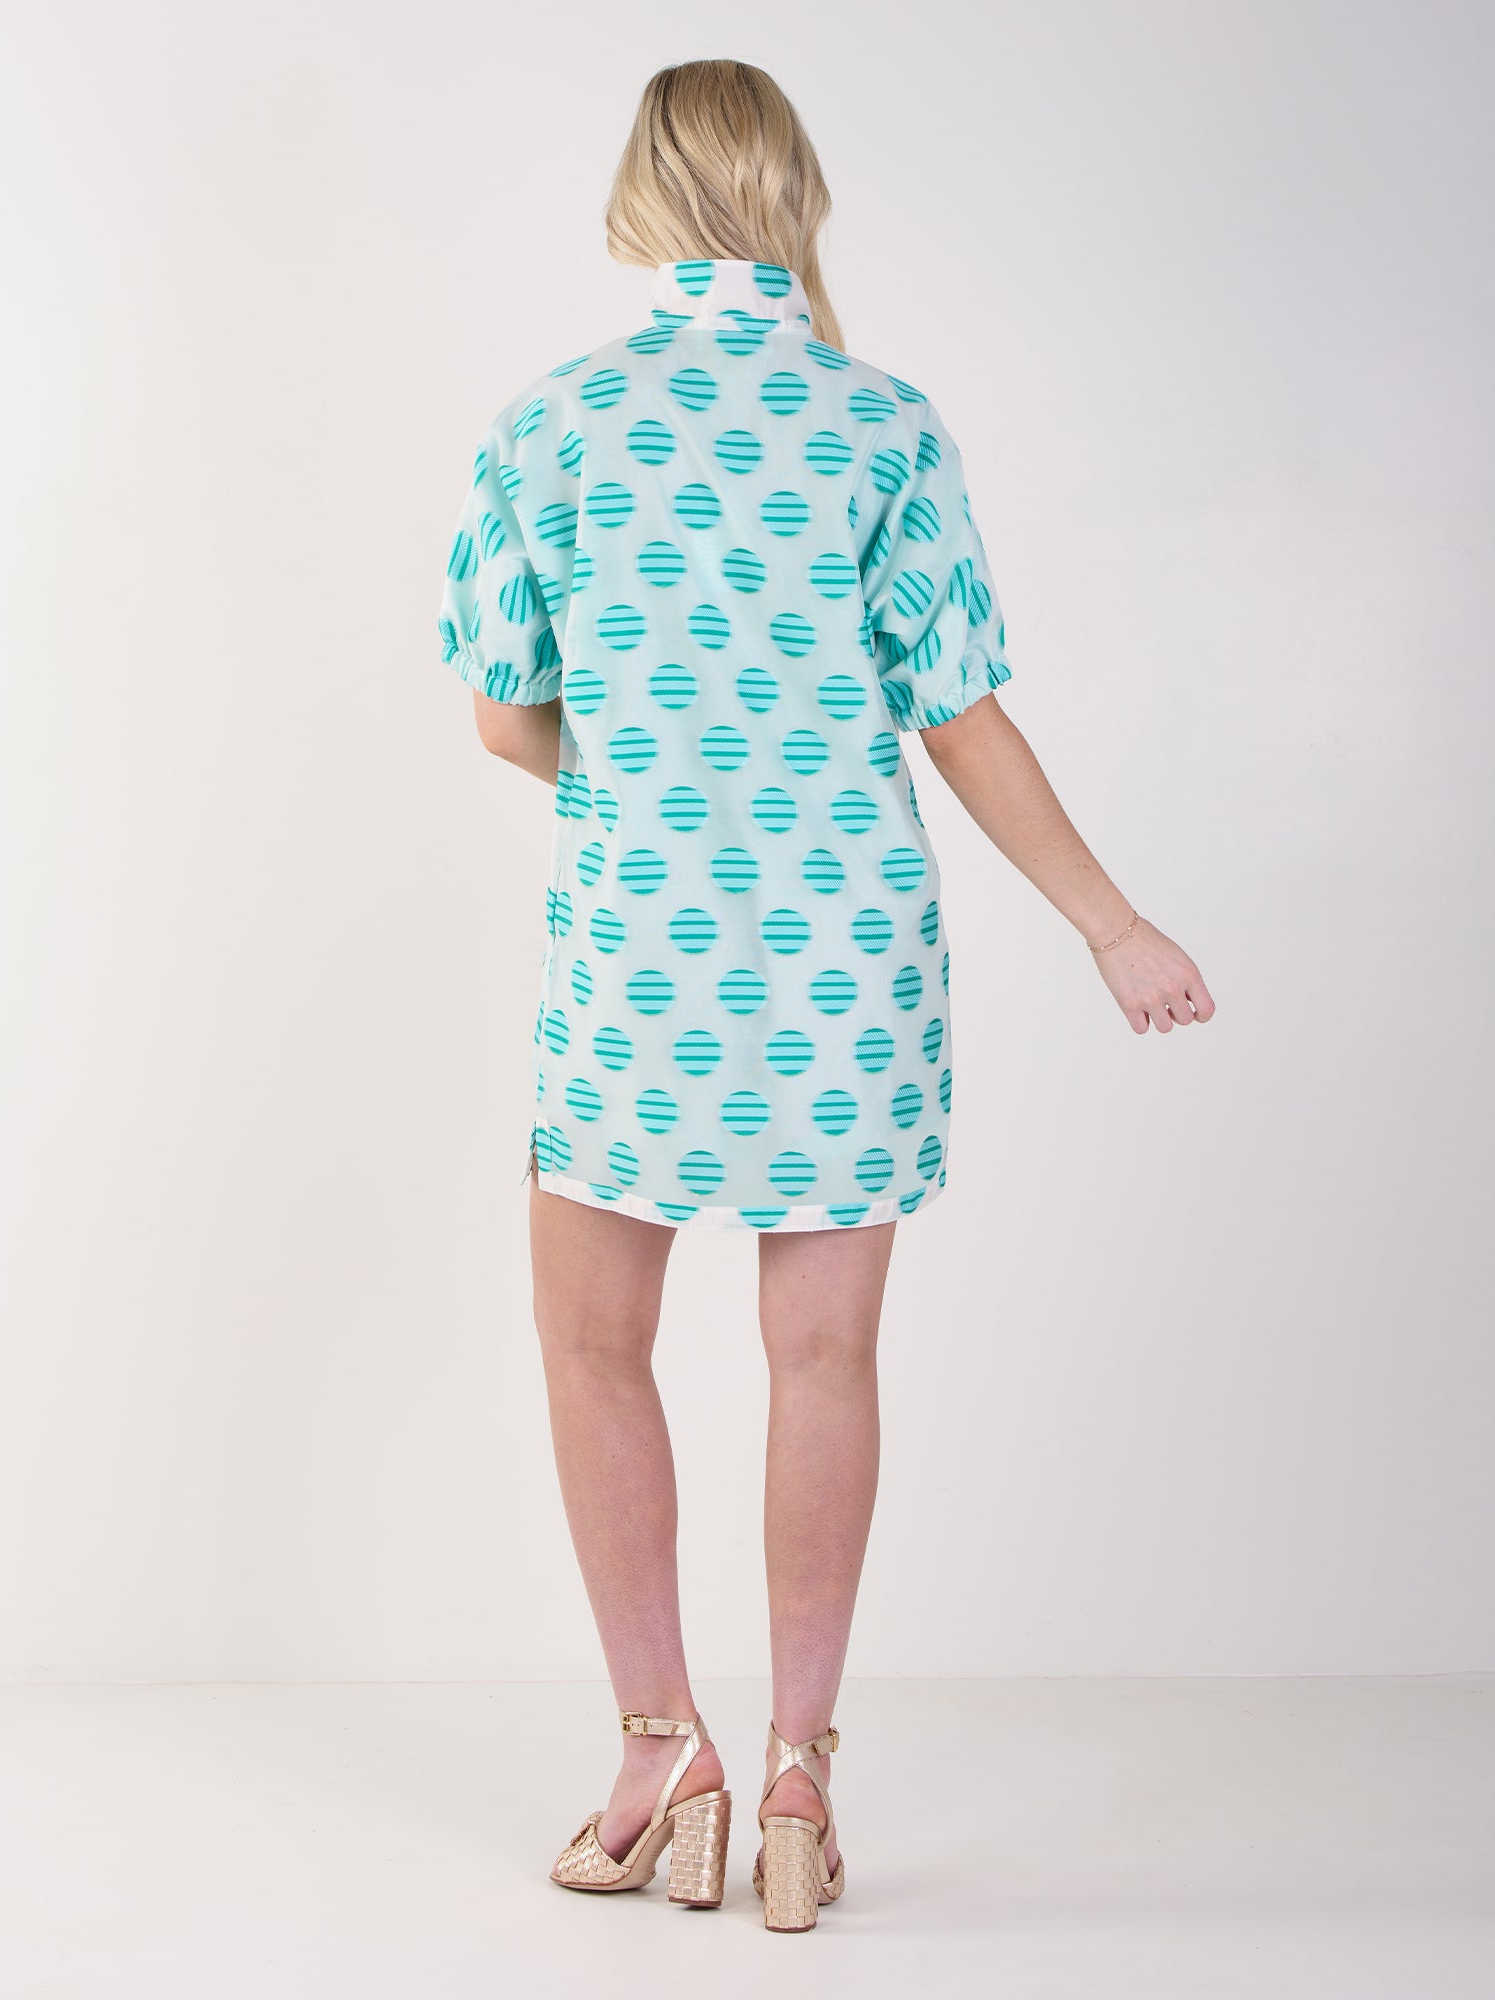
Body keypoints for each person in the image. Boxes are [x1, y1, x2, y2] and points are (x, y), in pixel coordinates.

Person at [436, 57, 1214, 1932]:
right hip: (847, 957)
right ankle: (799, 1781)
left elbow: (502, 714)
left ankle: (662, 1755)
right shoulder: (883, 426)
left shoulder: (552, 426)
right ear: (796, 192)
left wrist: (655, 772)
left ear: (642, 197)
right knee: (825, 1359)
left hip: (640, 953)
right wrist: (1112, 924)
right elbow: (961, 716)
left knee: (590, 1344)